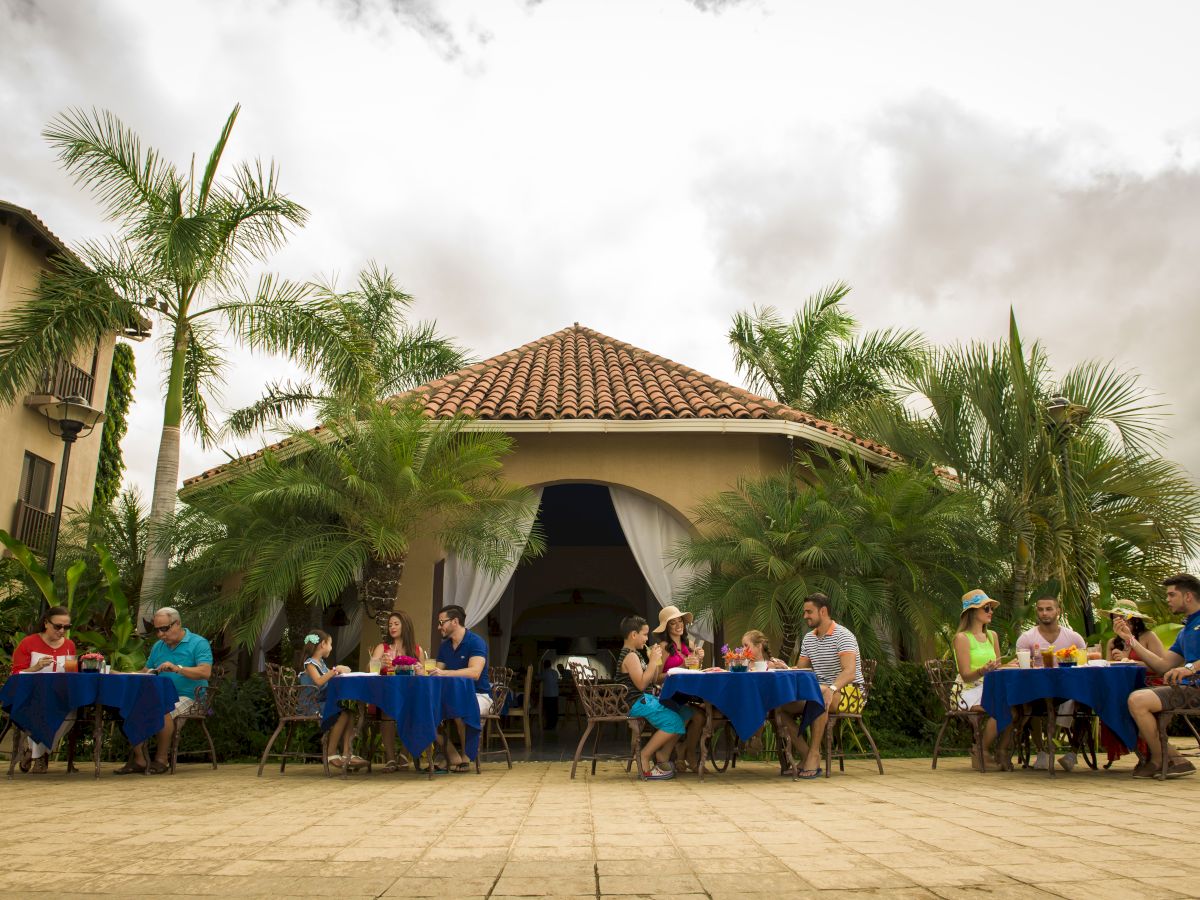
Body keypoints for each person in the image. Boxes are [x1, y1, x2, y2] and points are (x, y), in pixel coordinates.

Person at [1117, 574, 1200, 778]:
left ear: (1188, 596)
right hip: (1188, 689)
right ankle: (1173, 758)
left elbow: (1186, 667)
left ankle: (1160, 759)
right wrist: (1131, 640)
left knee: (1138, 700)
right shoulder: (1185, 630)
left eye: (1172, 595)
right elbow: (1163, 665)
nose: (1168, 599)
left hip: (1195, 688)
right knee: (1132, 698)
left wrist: (1190, 667)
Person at [116, 607, 213, 775]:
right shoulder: (158, 647)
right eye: (157, 630)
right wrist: (120, 674)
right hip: (158, 695)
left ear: (178, 624)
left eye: (164, 629)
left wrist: (178, 669)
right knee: (129, 707)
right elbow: (146, 671)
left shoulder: (198, 643)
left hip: (190, 696)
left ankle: (161, 759)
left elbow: (205, 672)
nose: (160, 634)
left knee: (164, 709)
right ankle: (140, 759)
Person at [780, 593, 864, 780]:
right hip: (820, 691)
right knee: (781, 707)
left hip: (849, 691)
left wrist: (831, 688)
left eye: (809, 612)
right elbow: (801, 669)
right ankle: (805, 753)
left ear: (823, 611)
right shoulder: (809, 639)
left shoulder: (844, 636)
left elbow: (849, 672)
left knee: (821, 693)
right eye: (804, 612)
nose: (805, 616)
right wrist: (784, 667)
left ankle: (815, 754)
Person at [1015, 595, 1087, 771]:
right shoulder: (1027, 638)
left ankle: (1072, 753)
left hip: (1070, 690)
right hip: (1038, 689)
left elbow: (1085, 667)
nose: (1044, 613)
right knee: (1029, 701)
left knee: (1087, 701)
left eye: (1049, 609)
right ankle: (1041, 752)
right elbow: (1021, 667)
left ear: (1058, 611)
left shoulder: (1074, 638)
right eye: (1040, 609)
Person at [617, 615, 691, 780]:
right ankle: (645, 755)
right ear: (633, 635)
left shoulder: (636, 654)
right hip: (636, 702)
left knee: (684, 713)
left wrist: (654, 662)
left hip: (645, 699)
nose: (646, 638)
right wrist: (652, 663)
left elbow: (652, 677)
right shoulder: (630, 656)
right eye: (644, 635)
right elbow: (642, 685)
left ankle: (662, 754)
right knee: (674, 721)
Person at [10, 605, 77, 774]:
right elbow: (16, 674)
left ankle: (32, 752)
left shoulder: (69, 645)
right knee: (39, 709)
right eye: (58, 626)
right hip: (32, 695)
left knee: (71, 713)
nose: (62, 631)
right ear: (46, 623)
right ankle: (39, 758)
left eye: (66, 627)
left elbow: (73, 673)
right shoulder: (29, 642)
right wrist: (35, 668)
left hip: (60, 695)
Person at [1098, 599, 1164, 766]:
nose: (1119, 621)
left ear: (1134, 618)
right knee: (1108, 702)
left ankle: (1151, 752)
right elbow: (1108, 668)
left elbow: (1160, 666)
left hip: (1150, 683)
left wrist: (1131, 661)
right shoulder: (1113, 642)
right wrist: (1116, 661)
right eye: (1115, 618)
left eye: (1123, 617)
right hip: (1124, 686)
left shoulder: (1148, 637)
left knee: (1130, 701)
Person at [431, 604, 491, 773]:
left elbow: (475, 673)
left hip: (479, 695)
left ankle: (466, 756)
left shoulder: (475, 642)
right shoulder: (445, 646)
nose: (439, 627)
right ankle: (450, 753)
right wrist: (425, 671)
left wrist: (445, 672)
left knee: (460, 710)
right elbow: (437, 672)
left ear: (455, 621)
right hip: (449, 696)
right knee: (425, 710)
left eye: (441, 622)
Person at [952, 590, 1004, 769]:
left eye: (991, 608)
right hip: (967, 691)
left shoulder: (992, 636)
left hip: (989, 688)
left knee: (1016, 705)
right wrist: (982, 670)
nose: (991, 611)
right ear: (973, 612)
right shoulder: (962, 638)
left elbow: (998, 666)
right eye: (986, 608)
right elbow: (965, 675)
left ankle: (1000, 752)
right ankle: (981, 750)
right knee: (1001, 707)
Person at [298, 630, 362, 770]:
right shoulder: (310, 664)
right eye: (330, 644)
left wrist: (339, 671)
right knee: (343, 715)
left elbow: (329, 677)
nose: (331, 648)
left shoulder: (321, 663)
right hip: (312, 704)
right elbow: (319, 681)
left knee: (350, 713)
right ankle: (331, 753)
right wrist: (334, 670)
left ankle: (347, 754)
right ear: (323, 644)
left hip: (322, 702)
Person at [652, 605, 707, 771]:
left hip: (686, 694)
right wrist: (682, 665)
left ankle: (687, 754)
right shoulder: (662, 647)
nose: (678, 625)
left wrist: (699, 658)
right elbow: (656, 678)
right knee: (691, 716)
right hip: (667, 694)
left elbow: (694, 671)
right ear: (666, 628)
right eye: (672, 623)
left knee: (700, 717)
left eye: (680, 621)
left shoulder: (688, 644)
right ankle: (669, 753)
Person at [369, 611, 423, 771]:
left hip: (410, 694)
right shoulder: (383, 647)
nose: (392, 627)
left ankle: (404, 754)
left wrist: (418, 668)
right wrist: (381, 664)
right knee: (388, 709)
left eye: (396, 624)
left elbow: (424, 674)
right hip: (387, 694)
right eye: (390, 624)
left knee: (414, 709)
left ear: (405, 626)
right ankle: (391, 758)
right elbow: (370, 669)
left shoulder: (416, 649)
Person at [540, 659, 560, 731]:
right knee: (554, 710)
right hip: (555, 693)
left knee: (548, 710)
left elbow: (538, 678)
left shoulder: (544, 672)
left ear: (544, 665)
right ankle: (554, 724)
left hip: (548, 694)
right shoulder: (555, 672)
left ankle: (549, 725)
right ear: (550, 665)